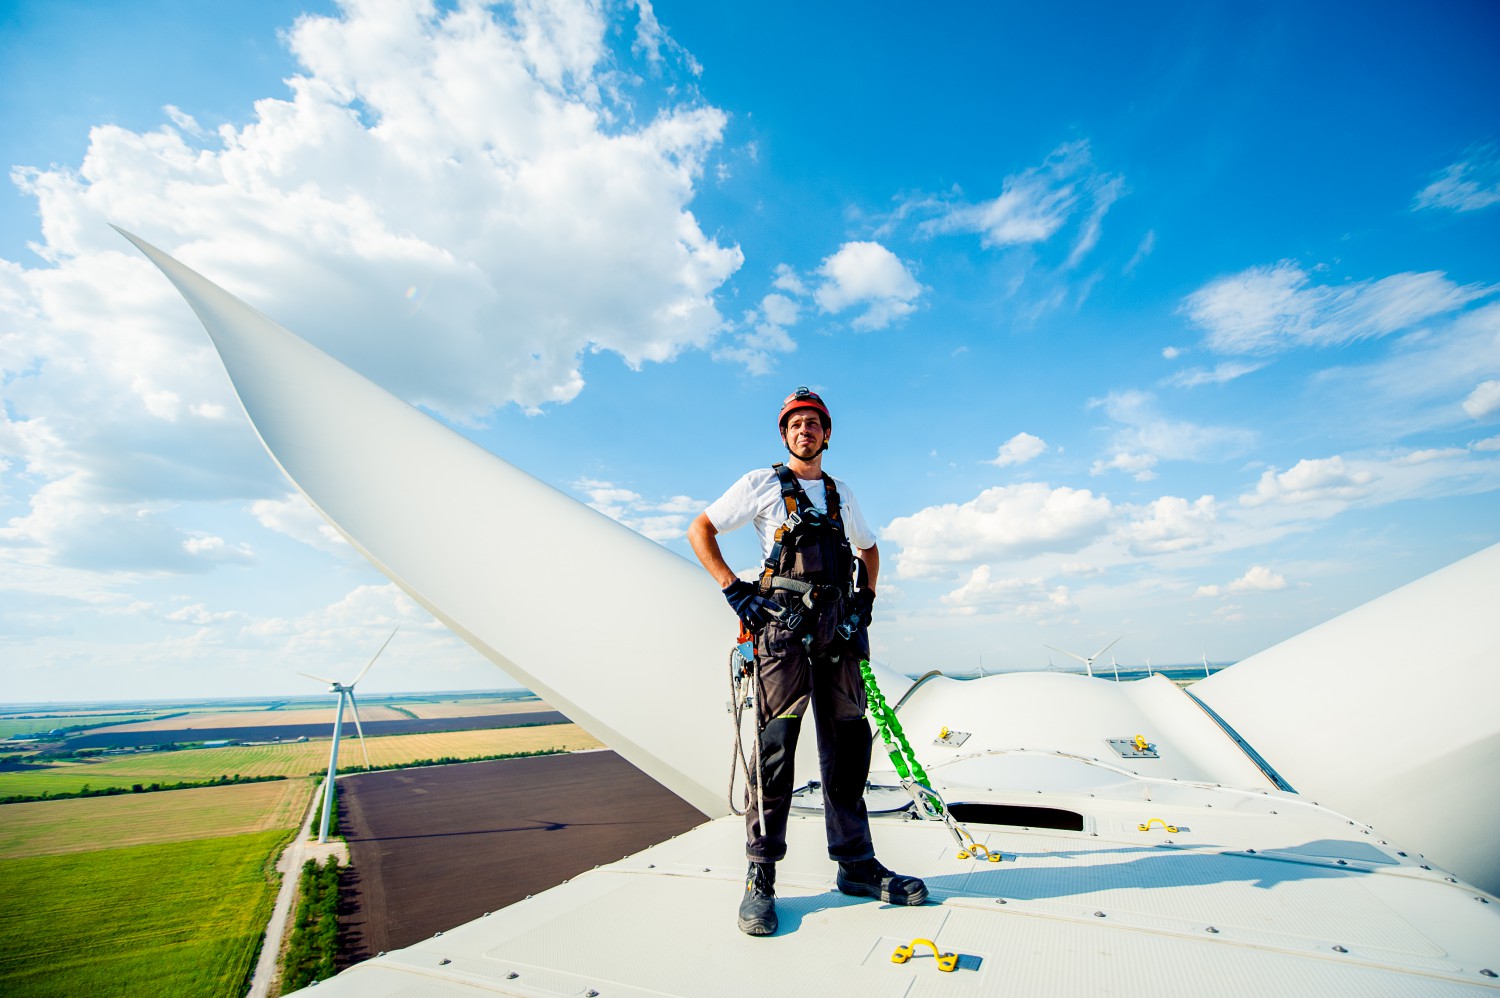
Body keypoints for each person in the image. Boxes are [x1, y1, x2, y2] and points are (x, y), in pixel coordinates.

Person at [688, 386, 927, 937]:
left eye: (814, 423)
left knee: (848, 748)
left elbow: (868, 549)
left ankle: (856, 866)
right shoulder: (762, 484)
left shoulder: (842, 493)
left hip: (839, 633)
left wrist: (865, 600)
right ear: (784, 434)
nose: (805, 431)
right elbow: (699, 529)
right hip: (782, 632)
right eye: (795, 424)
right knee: (775, 752)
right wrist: (733, 590)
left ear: (827, 433)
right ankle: (760, 876)